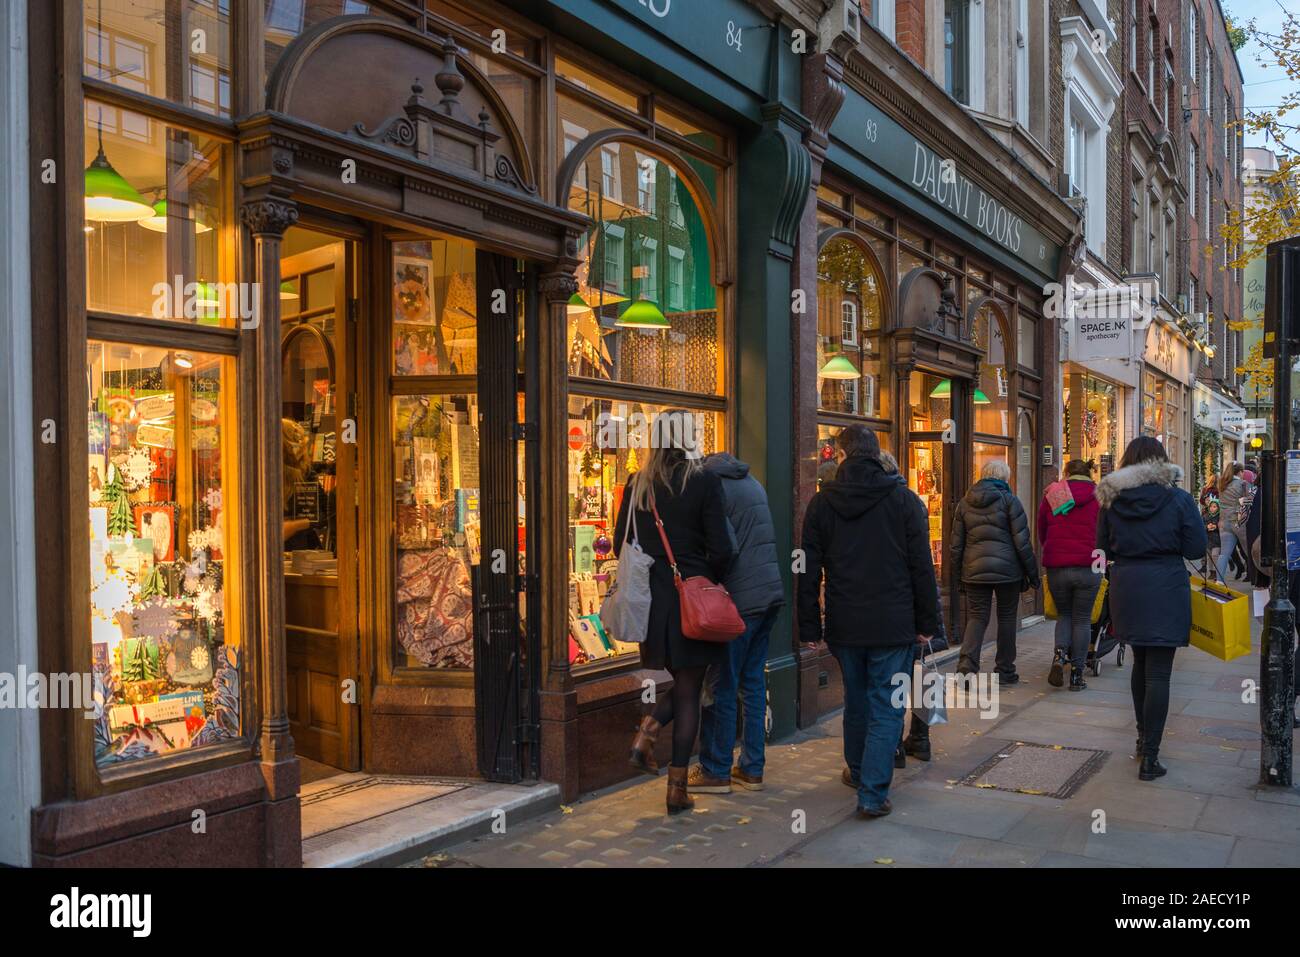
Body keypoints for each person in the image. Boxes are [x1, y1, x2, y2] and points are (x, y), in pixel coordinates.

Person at [798, 425, 939, 819]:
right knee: (887, 706)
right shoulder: (905, 502)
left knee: (856, 700)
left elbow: (807, 570)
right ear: (876, 456)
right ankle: (873, 792)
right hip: (893, 624)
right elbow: (921, 569)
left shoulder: (822, 506)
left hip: (846, 624)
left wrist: (808, 626)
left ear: (842, 456)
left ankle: (860, 772)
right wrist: (928, 621)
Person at [622, 411, 735, 814]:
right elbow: (723, 547)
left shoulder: (638, 485)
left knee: (683, 682)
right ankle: (676, 789)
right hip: (692, 600)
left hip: (654, 605)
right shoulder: (703, 481)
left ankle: (647, 734)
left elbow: (625, 542)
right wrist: (708, 577)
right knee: (690, 691)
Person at [1096, 436, 1207, 781]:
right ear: (1162, 464)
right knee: (1159, 672)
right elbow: (1196, 548)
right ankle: (1151, 758)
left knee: (1139, 663)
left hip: (1127, 586)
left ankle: (1143, 741)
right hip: (1166, 587)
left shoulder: (1110, 500)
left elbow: (1101, 549)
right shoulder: (1179, 499)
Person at [692, 451, 785, 794]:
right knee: (753, 682)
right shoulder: (752, 482)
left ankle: (716, 768)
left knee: (723, 684)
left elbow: (724, 549)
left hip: (739, 601)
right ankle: (752, 768)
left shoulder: (713, 488)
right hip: (768, 595)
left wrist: (706, 580)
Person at [951, 459, 1039, 684]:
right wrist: (1033, 574)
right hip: (1007, 571)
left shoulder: (964, 503)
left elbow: (956, 545)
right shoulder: (1010, 501)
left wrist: (957, 575)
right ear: (1004, 478)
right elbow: (1022, 543)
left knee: (977, 618)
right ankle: (1005, 670)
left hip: (974, 570)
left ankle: (966, 668)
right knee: (1007, 618)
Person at [1038, 459, 1103, 691]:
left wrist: (1053, 549)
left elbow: (1042, 529)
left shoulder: (1055, 493)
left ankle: (1058, 657)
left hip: (1057, 564)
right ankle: (1076, 674)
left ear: (1066, 473)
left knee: (1064, 615)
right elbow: (1107, 531)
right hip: (1090, 564)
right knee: (1082, 619)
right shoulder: (1100, 495)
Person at [1215, 462, 1248, 582]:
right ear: (1240, 472)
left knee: (1224, 554)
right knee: (1250, 552)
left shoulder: (1222, 484)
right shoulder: (1242, 484)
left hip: (1224, 522)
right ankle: (1263, 582)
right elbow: (1247, 503)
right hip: (1238, 522)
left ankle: (1219, 581)